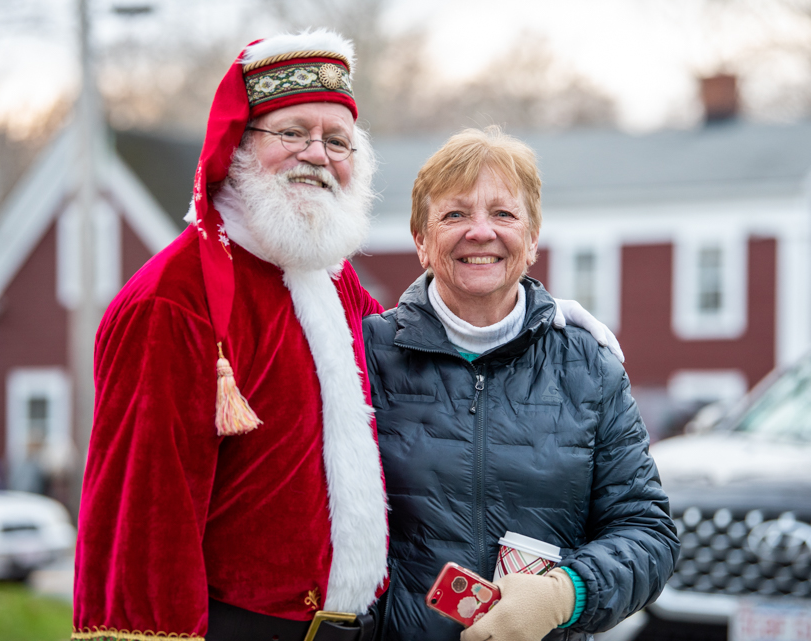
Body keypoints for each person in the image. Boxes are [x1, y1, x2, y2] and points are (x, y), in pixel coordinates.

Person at [72, 31, 616, 641]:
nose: (317, 154)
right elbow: (141, 525)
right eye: (292, 133)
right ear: (239, 145)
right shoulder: (174, 299)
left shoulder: (330, 281)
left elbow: (424, 332)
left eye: (337, 140)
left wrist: (540, 312)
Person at [363, 127, 680, 641]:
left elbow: (647, 533)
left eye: (504, 214)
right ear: (421, 240)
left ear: (532, 239)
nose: (481, 231)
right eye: (455, 214)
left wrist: (564, 594)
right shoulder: (367, 355)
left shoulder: (589, 367)